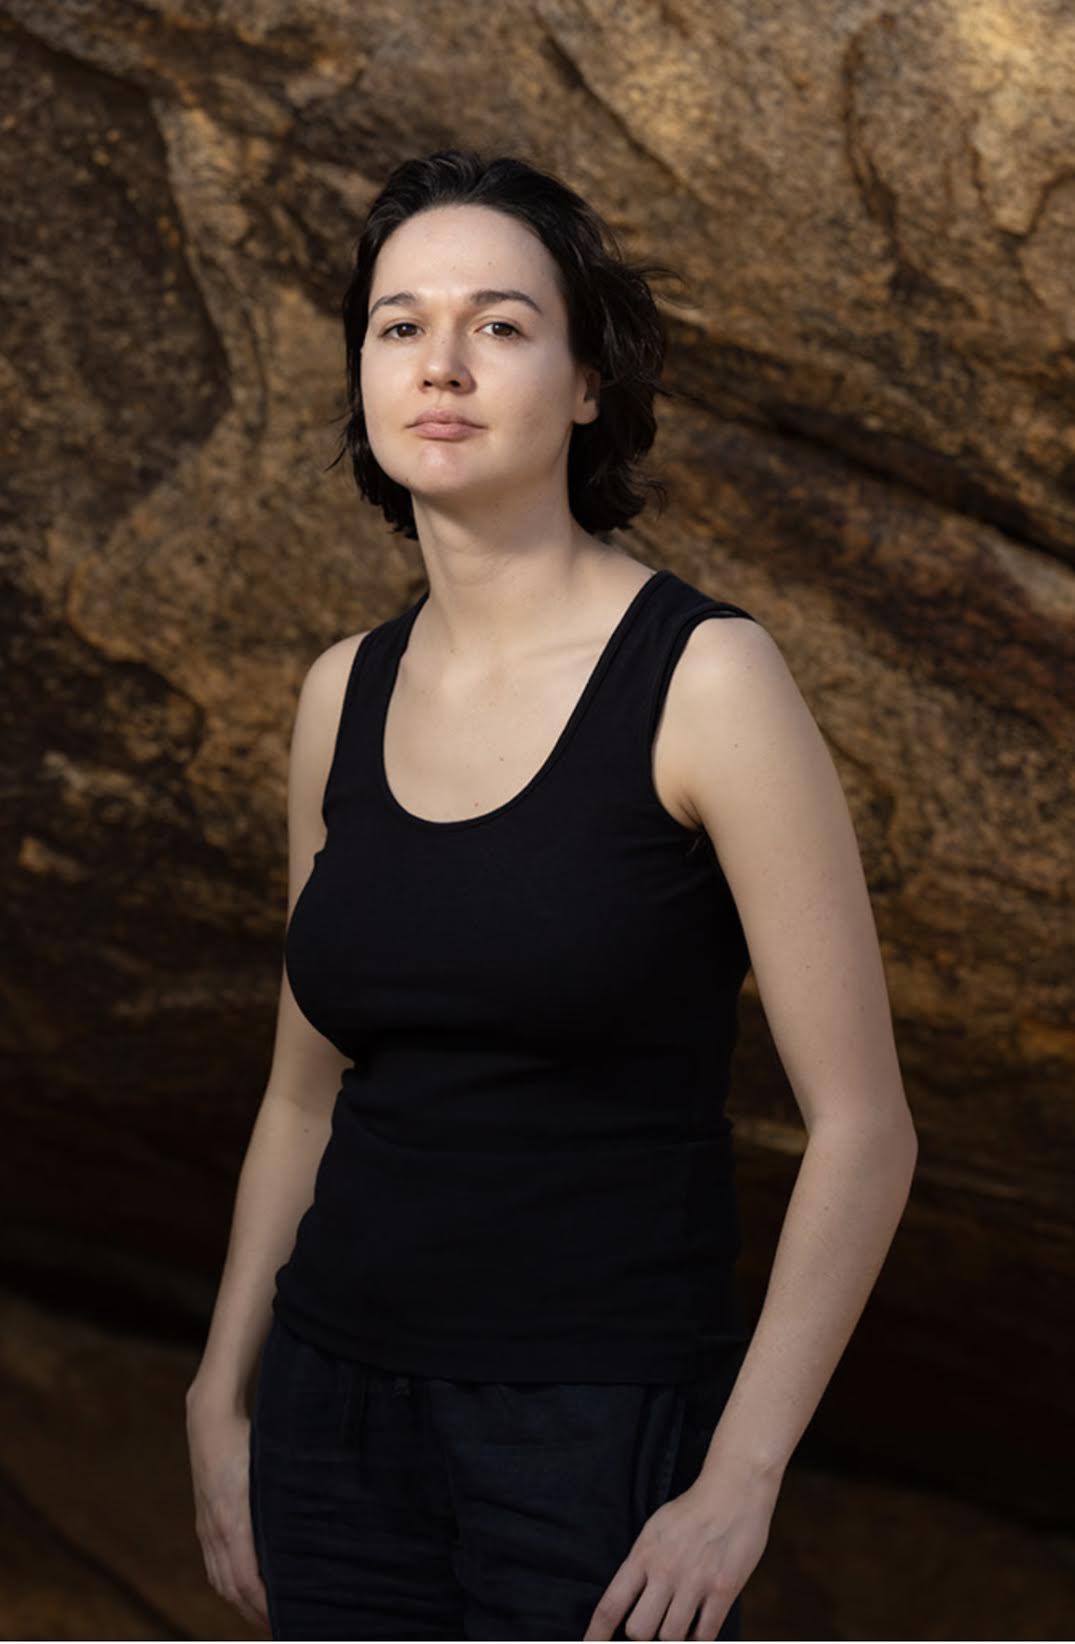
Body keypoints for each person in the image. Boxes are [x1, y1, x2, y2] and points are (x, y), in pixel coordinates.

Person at [185, 148, 918, 1642]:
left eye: (501, 324)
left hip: (590, 1436)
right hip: (332, 1419)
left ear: (589, 386)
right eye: (399, 325)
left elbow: (866, 1126)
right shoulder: (345, 691)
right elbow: (301, 1098)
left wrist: (740, 1476)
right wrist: (219, 1385)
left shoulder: (707, 681)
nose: (440, 364)